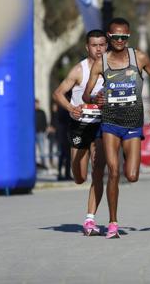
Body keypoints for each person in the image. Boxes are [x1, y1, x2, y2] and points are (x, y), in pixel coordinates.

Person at [83, 17, 150, 239]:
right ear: (109, 37)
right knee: (113, 172)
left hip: (133, 121)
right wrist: (95, 98)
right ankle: (113, 223)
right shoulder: (101, 63)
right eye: (115, 36)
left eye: (123, 37)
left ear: (128, 36)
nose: (119, 40)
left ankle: (129, 156)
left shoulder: (139, 58)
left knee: (132, 175)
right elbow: (88, 93)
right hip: (110, 121)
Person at [52, 29, 108, 236]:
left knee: (99, 171)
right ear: (88, 47)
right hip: (80, 125)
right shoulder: (79, 70)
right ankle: (76, 161)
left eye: (102, 44)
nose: (99, 48)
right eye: (95, 45)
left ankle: (90, 219)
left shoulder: (112, 68)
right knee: (80, 177)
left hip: (101, 125)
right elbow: (57, 93)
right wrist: (71, 108)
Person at [35, 99, 48, 169]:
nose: (36, 105)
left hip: (40, 133)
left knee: (42, 150)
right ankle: (35, 165)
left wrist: (44, 130)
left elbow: (45, 121)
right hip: (33, 133)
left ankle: (44, 164)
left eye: (37, 104)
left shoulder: (42, 112)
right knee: (33, 150)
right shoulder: (31, 112)